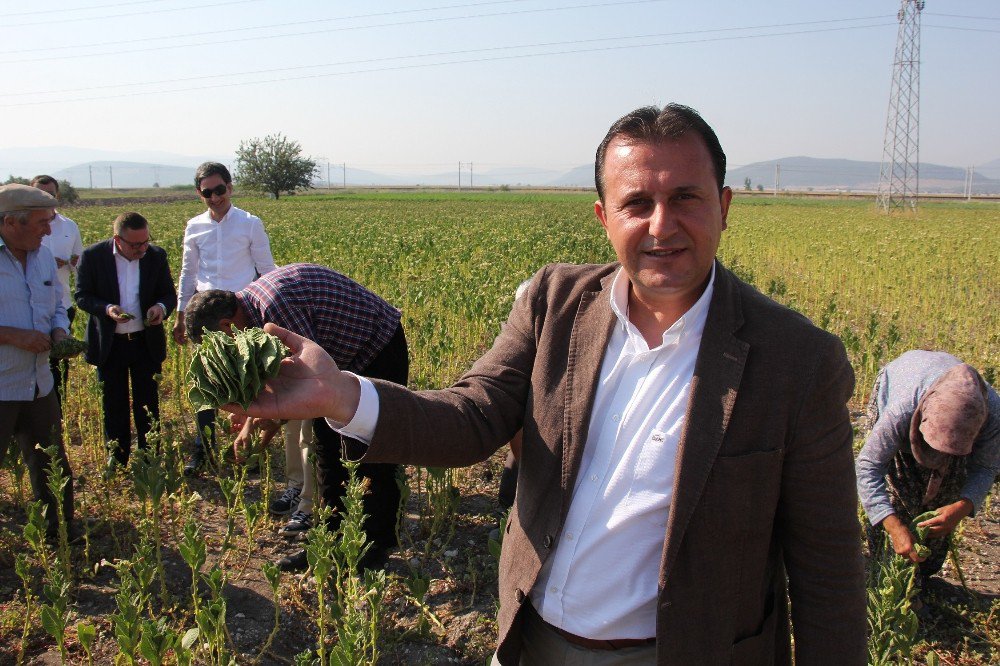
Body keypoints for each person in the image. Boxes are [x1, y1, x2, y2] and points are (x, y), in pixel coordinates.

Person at [221, 104, 867, 664]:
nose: (662, 225)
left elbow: (828, 572)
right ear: (603, 216)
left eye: (687, 198)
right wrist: (342, 395)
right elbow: (472, 415)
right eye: (637, 203)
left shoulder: (798, 361)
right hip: (530, 638)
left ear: (724, 206)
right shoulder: (556, 302)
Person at [183, 262, 406, 572]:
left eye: (221, 342)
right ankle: (327, 542)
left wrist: (264, 429)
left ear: (225, 325)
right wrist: (251, 423)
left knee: (376, 445)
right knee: (327, 449)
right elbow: (282, 379)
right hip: (338, 359)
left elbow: (307, 381)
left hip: (377, 346)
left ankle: (377, 544)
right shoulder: (248, 311)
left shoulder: (274, 310)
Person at [857, 350, 999, 587]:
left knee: (943, 503)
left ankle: (921, 577)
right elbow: (868, 467)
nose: (939, 456)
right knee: (897, 495)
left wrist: (961, 507)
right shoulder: (901, 410)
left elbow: (986, 468)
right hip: (902, 381)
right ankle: (884, 577)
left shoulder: (992, 415)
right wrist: (893, 525)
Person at [173, 162, 276, 475]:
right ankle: (201, 450)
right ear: (199, 193)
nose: (215, 197)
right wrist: (180, 316)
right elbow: (188, 273)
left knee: (248, 384)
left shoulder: (249, 223)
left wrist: (268, 316)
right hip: (204, 317)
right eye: (207, 192)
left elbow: (268, 270)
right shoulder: (194, 226)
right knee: (205, 385)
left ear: (230, 188)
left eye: (220, 190)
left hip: (239, 316)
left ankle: (250, 451)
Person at [0, 184, 75, 536]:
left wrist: (60, 331)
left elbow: (57, 305)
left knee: (51, 463)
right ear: (10, 223)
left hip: (39, 382)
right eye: (43, 222)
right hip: (2, 382)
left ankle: (59, 531)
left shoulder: (43, 255)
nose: (50, 229)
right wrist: (14, 336)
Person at [75, 212, 177, 466]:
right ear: (117, 240)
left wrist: (160, 309)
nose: (142, 249)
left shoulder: (156, 256)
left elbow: (168, 294)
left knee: (148, 402)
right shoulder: (93, 257)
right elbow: (82, 296)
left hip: (144, 342)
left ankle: (150, 455)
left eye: (145, 242)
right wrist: (107, 309)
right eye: (135, 245)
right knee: (113, 402)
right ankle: (117, 457)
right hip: (110, 344)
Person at [33, 175, 83, 404]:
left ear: (57, 195)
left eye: (50, 194)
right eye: (40, 193)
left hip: (62, 305)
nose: (46, 198)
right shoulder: (25, 226)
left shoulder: (69, 226)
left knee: (58, 367)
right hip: (32, 308)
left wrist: (69, 262)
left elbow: (79, 264)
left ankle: (56, 414)